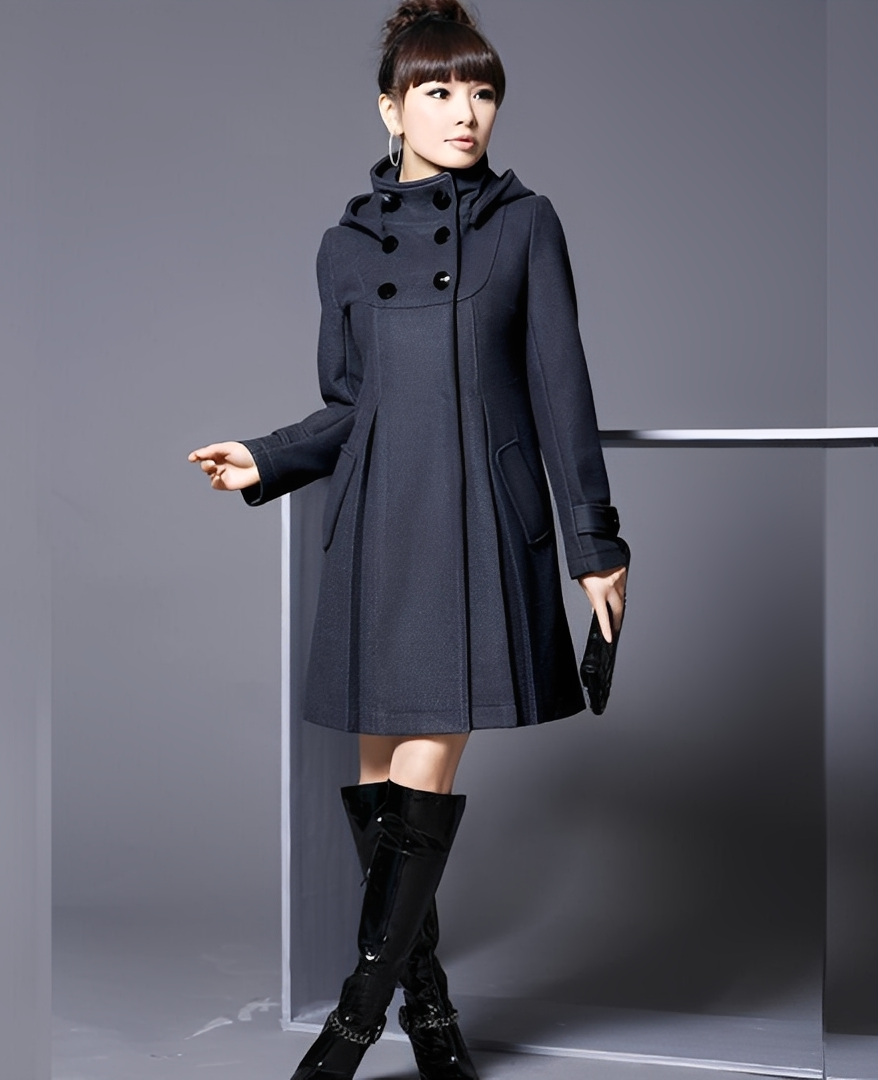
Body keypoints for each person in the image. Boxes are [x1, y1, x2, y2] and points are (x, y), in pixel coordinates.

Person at [189, 2, 628, 1077]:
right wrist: (267, 456)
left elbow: (562, 393)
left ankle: (351, 1025)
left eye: (482, 91)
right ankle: (429, 1014)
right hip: (381, 516)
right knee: (381, 776)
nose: (465, 111)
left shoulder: (526, 224)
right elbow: (351, 404)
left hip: (477, 517)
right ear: (390, 108)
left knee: (423, 759)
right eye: (438, 91)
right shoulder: (345, 247)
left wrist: (594, 541)